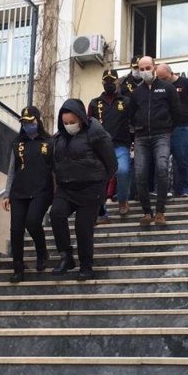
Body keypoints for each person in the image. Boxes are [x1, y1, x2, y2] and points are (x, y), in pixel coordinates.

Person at [50, 98, 117, 280]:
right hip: (66, 188)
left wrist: (100, 183)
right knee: (56, 214)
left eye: (72, 122)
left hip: (91, 188)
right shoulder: (58, 138)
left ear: (81, 118)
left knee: (83, 228)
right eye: (65, 123)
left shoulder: (96, 133)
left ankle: (86, 266)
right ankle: (66, 256)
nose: (69, 126)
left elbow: (111, 164)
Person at [2, 106, 53, 283]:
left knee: (32, 222)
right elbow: (12, 171)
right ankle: (18, 267)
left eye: (30, 122)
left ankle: (41, 252)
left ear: (38, 121)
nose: (27, 125)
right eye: (24, 122)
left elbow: (55, 168)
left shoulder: (49, 142)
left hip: (41, 191)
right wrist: (7, 194)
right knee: (16, 229)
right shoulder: (17, 144)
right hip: (19, 192)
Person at [129, 56, 181, 226]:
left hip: (162, 135)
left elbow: (176, 111)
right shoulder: (136, 93)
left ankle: (160, 212)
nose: (145, 71)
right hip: (141, 137)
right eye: (141, 69)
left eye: (148, 68)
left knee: (162, 169)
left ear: (154, 67)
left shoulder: (168, 88)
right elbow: (131, 115)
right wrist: (137, 129)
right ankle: (147, 212)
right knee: (140, 173)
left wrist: (167, 128)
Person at [88, 69, 133, 217]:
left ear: (117, 82)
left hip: (121, 145)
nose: (109, 83)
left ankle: (122, 200)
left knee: (123, 171)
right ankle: (102, 212)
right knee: (100, 178)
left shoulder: (126, 101)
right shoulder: (94, 103)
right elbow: (88, 126)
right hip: (101, 147)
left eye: (112, 81)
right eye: (106, 81)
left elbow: (133, 121)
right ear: (102, 82)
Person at [156, 63, 188, 198]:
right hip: (164, 127)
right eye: (160, 79)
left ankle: (183, 189)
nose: (163, 82)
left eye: (165, 79)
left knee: (182, 158)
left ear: (171, 73)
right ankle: (161, 189)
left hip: (182, 126)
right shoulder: (158, 87)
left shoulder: (186, 83)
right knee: (161, 160)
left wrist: (186, 115)